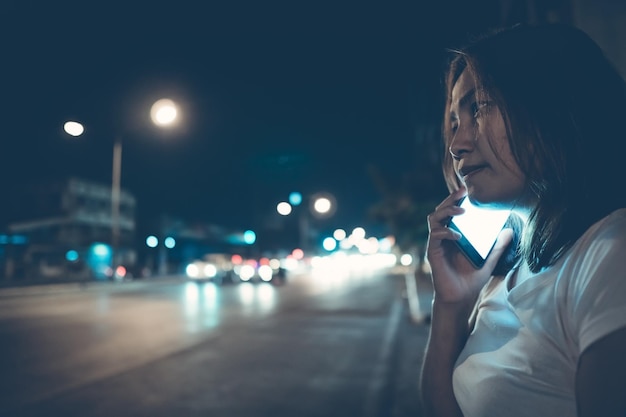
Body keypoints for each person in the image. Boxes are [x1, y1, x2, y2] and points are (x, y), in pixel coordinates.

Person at [419, 23, 626, 417]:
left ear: (552, 103)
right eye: (453, 122)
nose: (457, 144)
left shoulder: (610, 256)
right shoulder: (508, 273)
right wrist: (452, 303)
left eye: (478, 108)